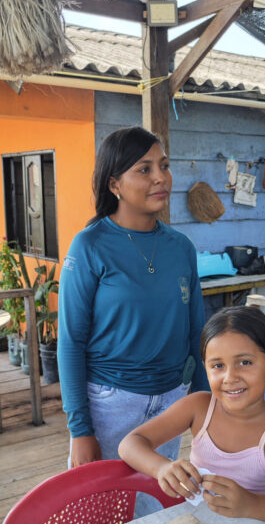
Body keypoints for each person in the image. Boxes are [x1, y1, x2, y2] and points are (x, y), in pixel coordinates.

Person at [58, 125, 208, 478]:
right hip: (110, 405)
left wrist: (203, 403)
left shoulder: (181, 247)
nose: (161, 178)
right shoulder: (90, 246)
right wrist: (80, 430)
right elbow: (70, 342)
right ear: (114, 185)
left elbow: (196, 332)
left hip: (172, 401)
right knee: (100, 513)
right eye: (144, 169)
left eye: (165, 165)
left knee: (153, 508)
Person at [119, 306, 265, 524]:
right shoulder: (199, 407)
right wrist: (162, 468)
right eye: (218, 366)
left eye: (245, 362)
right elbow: (130, 443)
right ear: (206, 369)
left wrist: (252, 504)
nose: (230, 377)